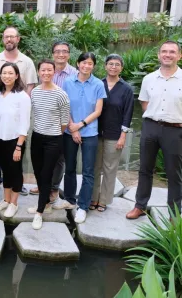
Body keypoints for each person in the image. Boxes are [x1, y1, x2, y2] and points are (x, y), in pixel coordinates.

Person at [127, 41, 182, 219]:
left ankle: (174, 213)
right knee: (145, 169)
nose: (168, 54)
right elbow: (144, 102)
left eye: (172, 52)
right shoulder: (148, 78)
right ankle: (140, 205)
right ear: (159, 55)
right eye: (164, 51)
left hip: (175, 130)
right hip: (150, 127)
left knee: (174, 173)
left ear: (179, 56)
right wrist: (155, 116)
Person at [54, 52, 106, 224]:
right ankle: (69, 199)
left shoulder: (98, 84)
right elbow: (64, 106)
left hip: (90, 132)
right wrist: (72, 127)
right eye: (83, 63)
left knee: (88, 171)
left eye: (90, 63)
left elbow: (98, 111)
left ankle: (83, 206)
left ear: (93, 66)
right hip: (70, 131)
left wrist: (80, 125)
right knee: (70, 167)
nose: (86, 66)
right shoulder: (68, 82)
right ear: (77, 64)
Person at [0, 27, 37, 195]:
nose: (9, 39)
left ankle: (17, 182)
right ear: (3, 39)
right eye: (6, 36)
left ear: (18, 39)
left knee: (17, 148)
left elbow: (30, 86)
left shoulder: (26, 61)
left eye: (12, 37)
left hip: (17, 112)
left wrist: (21, 105)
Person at [30, 41, 79, 198]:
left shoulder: (74, 74)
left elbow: (73, 101)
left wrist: (67, 126)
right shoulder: (46, 71)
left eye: (64, 51)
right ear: (53, 54)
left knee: (60, 159)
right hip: (47, 124)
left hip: (67, 123)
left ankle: (54, 188)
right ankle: (43, 184)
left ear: (69, 54)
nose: (61, 54)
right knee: (44, 157)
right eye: (57, 51)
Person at [28, 59, 70, 230]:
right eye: (43, 70)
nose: (46, 73)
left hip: (54, 139)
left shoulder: (61, 94)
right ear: (38, 72)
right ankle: (45, 202)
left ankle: (39, 212)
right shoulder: (35, 92)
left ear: (54, 72)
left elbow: (65, 121)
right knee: (38, 173)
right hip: (37, 137)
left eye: (49, 70)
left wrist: (55, 134)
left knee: (46, 175)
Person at [90, 54, 134, 212]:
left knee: (110, 168)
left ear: (121, 67)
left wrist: (123, 136)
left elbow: (128, 114)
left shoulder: (126, 89)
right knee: (94, 167)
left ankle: (104, 200)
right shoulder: (97, 84)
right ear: (105, 66)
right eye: (110, 64)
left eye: (117, 64)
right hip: (95, 133)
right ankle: (93, 197)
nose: (113, 67)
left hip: (115, 134)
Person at [0, 63, 31, 218]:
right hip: (0, 138)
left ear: (17, 76)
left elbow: (24, 123)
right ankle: (6, 200)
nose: (6, 76)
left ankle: (14, 203)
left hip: (15, 141)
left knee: (15, 171)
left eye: (10, 73)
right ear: (0, 76)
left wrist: (19, 146)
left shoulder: (22, 96)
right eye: (4, 73)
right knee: (5, 170)